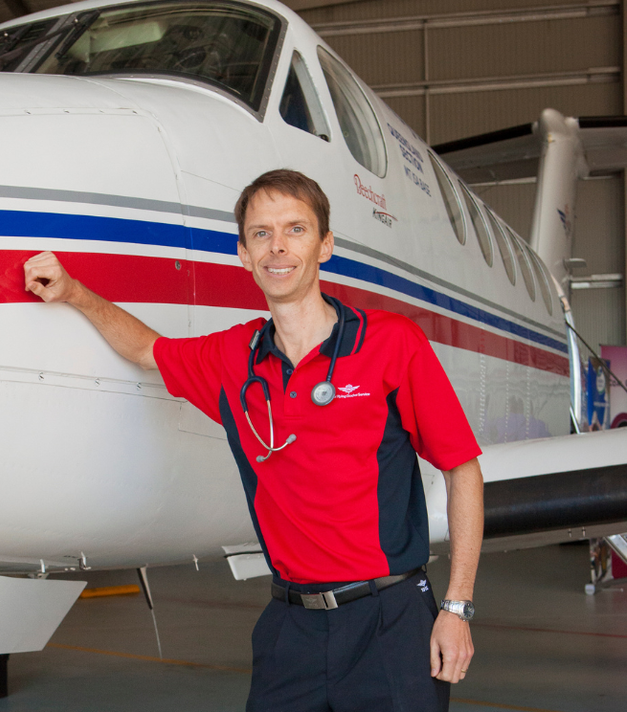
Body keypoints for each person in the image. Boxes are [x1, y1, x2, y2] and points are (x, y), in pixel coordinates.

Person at [24, 169, 483, 712]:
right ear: (244, 253)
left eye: (295, 229)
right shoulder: (233, 358)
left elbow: (462, 469)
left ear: (325, 245)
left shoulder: (390, 343)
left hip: (390, 619)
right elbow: (148, 350)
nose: (277, 247)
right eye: (261, 233)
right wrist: (75, 293)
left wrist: (456, 607)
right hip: (291, 626)